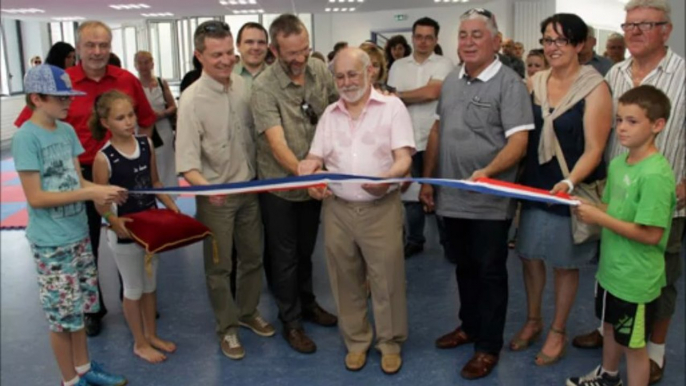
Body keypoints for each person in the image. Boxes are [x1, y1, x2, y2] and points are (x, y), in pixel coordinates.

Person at [14, 20, 158, 337]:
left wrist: (139, 157)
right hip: (78, 175)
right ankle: (92, 309)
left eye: (103, 45)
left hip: (119, 173)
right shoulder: (63, 82)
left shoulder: (125, 79)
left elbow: (146, 121)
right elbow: (29, 125)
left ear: (110, 47)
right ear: (77, 48)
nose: (97, 51)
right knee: (87, 243)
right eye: (90, 45)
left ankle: (134, 294)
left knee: (131, 238)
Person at [572, 1, 685, 384]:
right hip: (619, 196)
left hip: (667, 199)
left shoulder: (684, 75)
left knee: (660, 283)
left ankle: (654, 352)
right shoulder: (614, 74)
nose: (634, 32)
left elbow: (650, 234)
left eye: (645, 25)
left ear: (666, 30)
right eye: (629, 25)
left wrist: (681, 189)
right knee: (615, 286)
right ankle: (614, 348)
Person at [422, 8, 533, 380]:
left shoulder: (510, 84)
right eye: (463, 35)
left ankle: (487, 346)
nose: (468, 42)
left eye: (476, 35)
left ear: (496, 42)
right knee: (464, 268)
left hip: (489, 201)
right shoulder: (452, 80)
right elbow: (438, 131)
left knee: (489, 273)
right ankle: (468, 326)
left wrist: (488, 172)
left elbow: (518, 141)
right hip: (451, 196)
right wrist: (427, 179)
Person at [299, 47, 415, 375]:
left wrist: (388, 178)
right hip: (337, 209)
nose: (347, 82)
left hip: (381, 208)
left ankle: (390, 343)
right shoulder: (330, 115)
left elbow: (404, 158)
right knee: (344, 278)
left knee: (386, 279)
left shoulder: (392, 108)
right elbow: (316, 157)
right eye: (340, 76)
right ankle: (357, 341)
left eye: (353, 74)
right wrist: (309, 170)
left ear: (370, 73)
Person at [12, 64, 128, 386]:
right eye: (60, 97)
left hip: (78, 234)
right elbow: (36, 197)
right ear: (37, 98)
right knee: (61, 319)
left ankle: (84, 368)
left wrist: (103, 200)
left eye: (69, 96)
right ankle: (69, 381)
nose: (68, 103)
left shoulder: (66, 132)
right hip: (52, 243)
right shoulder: (25, 138)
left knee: (80, 310)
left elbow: (76, 179)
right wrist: (92, 190)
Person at [509, 13, 612, 366]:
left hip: (569, 187)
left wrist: (569, 182)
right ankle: (534, 319)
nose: (552, 48)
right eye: (547, 40)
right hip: (536, 184)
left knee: (564, 263)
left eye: (561, 41)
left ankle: (557, 330)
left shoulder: (594, 87)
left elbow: (595, 148)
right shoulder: (535, 82)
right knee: (529, 255)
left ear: (580, 45)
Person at [176, 20, 274, 360]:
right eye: (215, 55)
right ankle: (227, 327)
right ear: (199, 55)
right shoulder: (191, 101)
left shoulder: (244, 88)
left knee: (252, 258)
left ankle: (247, 313)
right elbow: (187, 163)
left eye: (228, 53)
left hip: (249, 191)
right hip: (216, 198)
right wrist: (207, 190)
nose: (224, 60)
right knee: (219, 268)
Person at [566, 85, 676, 386]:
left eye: (632, 121)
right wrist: (590, 207)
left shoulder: (655, 174)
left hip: (636, 279)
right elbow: (613, 208)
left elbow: (651, 234)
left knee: (635, 346)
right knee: (610, 327)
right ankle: (608, 376)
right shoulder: (618, 164)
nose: (622, 128)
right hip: (612, 271)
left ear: (657, 125)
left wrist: (600, 217)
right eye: (619, 120)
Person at [251, 13, 338, 354]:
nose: (300, 59)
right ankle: (291, 321)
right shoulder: (264, 87)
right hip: (281, 187)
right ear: (274, 50)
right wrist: (308, 176)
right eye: (291, 53)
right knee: (284, 256)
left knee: (305, 251)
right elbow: (277, 145)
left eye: (305, 49)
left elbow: (336, 111)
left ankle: (308, 303)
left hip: (314, 183)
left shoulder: (318, 70)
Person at [91, 90, 178, 364]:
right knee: (133, 288)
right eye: (120, 118)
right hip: (125, 233)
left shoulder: (146, 144)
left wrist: (170, 205)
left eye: (130, 115)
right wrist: (114, 221)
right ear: (106, 123)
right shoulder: (103, 158)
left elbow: (154, 182)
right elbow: (99, 202)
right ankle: (139, 343)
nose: (128, 122)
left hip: (150, 228)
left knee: (150, 286)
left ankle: (151, 335)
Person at [387, 17, 453, 258]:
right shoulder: (398, 66)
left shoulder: (445, 63)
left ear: (436, 39)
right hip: (407, 140)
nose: (423, 42)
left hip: (436, 139)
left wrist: (401, 95)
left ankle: (449, 243)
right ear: (412, 37)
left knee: (440, 194)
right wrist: (414, 94)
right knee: (411, 195)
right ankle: (415, 239)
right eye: (419, 36)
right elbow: (391, 103)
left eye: (429, 37)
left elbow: (433, 92)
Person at [134, 51, 178, 190]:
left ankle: (169, 192)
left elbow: (173, 106)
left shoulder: (161, 82)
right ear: (135, 65)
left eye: (146, 62)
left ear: (152, 63)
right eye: (140, 62)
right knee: (146, 161)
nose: (143, 66)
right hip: (142, 129)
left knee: (166, 161)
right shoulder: (134, 84)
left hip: (163, 128)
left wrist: (161, 114)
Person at [234, 22, 269, 89]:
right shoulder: (225, 77)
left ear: (267, 46)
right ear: (238, 46)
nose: (256, 47)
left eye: (261, 42)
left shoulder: (279, 78)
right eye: (249, 42)